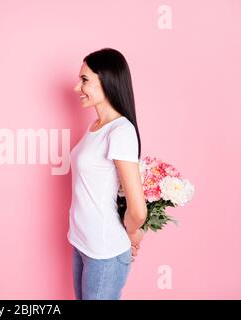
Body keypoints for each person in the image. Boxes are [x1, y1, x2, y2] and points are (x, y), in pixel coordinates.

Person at [68, 48, 147, 300]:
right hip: (82, 242)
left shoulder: (120, 131)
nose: (76, 87)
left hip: (104, 251)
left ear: (108, 80)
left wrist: (133, 233)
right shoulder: (95, 127)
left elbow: (138, 209)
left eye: (84, 80)